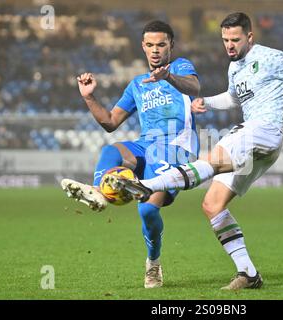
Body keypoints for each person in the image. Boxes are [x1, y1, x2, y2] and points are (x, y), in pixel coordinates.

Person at [109, 12, 283, 290]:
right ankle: (249, 274)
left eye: (235, 39)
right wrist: (205, 102)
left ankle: (145, 186)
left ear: (250, 37)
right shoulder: (234, 67)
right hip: (260, 144)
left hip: (265, 130)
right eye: (225, 40)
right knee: (212, 204)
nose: (229, 45)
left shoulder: (271, 57)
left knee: (212, 160)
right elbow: (232, 98)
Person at [60, 20, 200, 288]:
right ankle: (99, 191)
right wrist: (89, 98)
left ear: (171, 45)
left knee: (147, 212)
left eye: (161, 44)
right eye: (150, 45)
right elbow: (111, 122)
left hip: (175, 150)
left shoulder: (180, 66)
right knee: (110, 151)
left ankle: (153, 265)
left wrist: (168, 76)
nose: (155, 50)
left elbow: (194, 88)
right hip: (146, 146)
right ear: (143, 47)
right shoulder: (137, 84)